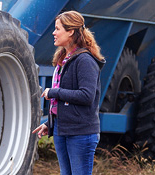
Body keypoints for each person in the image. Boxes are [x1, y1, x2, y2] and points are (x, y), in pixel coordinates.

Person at [32, 10, 106, 175]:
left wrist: (54, 92)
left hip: (81, 132)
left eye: (58, 29)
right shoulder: (63, 58)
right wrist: (51, 124)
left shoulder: (85, 60)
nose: (53, 32)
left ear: (71, 31)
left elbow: (87, 96)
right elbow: (64, 105)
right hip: (62, 129)